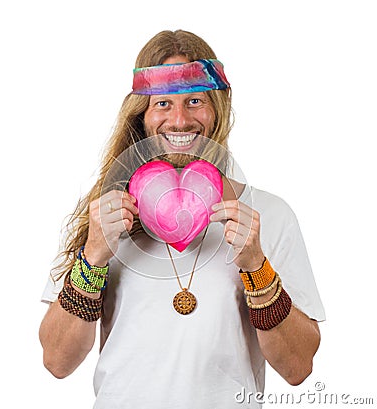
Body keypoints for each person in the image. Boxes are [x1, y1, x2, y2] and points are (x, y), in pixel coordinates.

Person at [39, 29, 325, 408]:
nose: (179, 120)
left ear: (218, 110)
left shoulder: (269, 215)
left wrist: (257, 267)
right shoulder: (103, 214)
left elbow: (298, 367)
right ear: (140, 115)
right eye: (162, 104)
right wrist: (93, 257)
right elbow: (57, 362)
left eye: (194, 101)